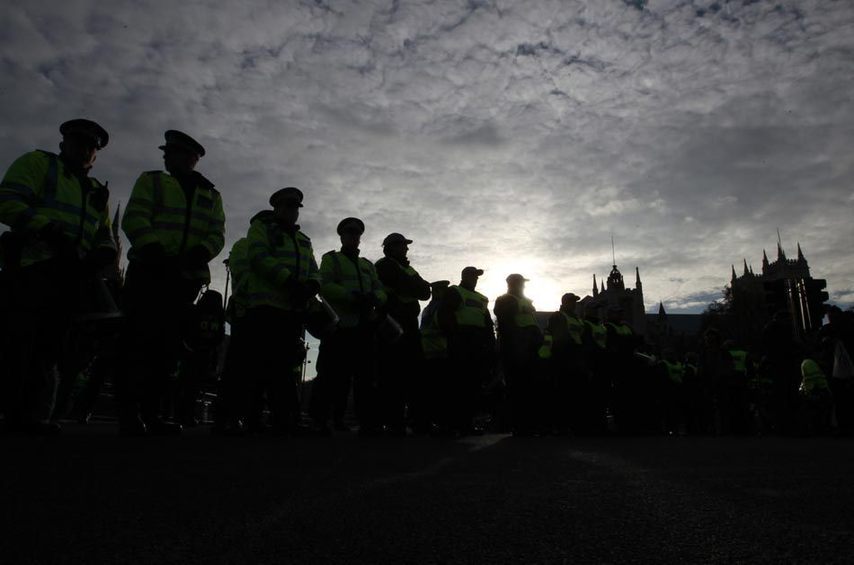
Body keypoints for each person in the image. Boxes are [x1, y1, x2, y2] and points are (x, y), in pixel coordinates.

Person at [0, 119, 116, 434]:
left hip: (71, 276)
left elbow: (102, 233)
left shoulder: (95, 191)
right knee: (18, 342)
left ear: (96, 155)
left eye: (91, 147)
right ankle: (11, 413)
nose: (85, 150)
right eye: (79, 143)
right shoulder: (39, 164)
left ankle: (34, 416)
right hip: (33, 267)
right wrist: (46, 229)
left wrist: (105, 251)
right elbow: (7, 201)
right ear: (64, 143)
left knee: (50, 348)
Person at [119, 130, 225, 435]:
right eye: (167, 152)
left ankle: (152, 413)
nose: (167, 157)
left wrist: (201, 253)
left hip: (183, 280)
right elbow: (135, 218)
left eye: (175, 153)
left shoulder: (211, 195)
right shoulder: (151, 181)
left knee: (166, 350)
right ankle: (129, 413)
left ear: (192, 158)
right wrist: (154, 250)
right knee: (137, 343)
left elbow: (216, 233)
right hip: (150, 273)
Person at [243, 187, 320, 435]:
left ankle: (285, 419)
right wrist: (289, 281)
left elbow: (313, 268)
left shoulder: (304, 240)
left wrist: (312, 285)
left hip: (291, 311)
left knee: (286, 368)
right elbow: (258, 256)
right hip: (265, 308)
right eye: (286, 206)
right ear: (276, 208)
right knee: (259, 366)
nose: (291, 211)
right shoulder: (262, 229)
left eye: (295, 207)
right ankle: (253, 419)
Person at [310, 217, 386, 435]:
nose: (353, 236)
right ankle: (322, 420)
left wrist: (374, 297)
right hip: (340, 328)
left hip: (364, 328)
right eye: (349, 233)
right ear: (341, 236)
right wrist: (351, 296)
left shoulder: (368, 266)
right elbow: (325, 285)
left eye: (356, 233)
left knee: (365, 378)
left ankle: (366, 422)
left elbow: (380, 290)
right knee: (331, 375)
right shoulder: (332, 259)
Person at [375, 232, 431, 435]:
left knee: (416, 374)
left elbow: (425, 292)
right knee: (392, 374)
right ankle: (393, 421)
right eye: (402, 245)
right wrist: (412, 286)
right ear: (390, 248)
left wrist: (412, 286)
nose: (406, 249)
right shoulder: (384, 265)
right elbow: (413, 287)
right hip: (391, 324)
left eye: (406, 245)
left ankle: (418, 421)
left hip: (409, 326)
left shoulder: (408, 268)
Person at [438, 267, 496, 435]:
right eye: (472, 275)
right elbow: (445, 315)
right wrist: (454, 336)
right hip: (461, 341)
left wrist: (490, 345)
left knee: (473, 385)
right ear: (464, 276)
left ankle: (466, 424)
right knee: (457, 384)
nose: (475, 279)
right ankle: (452, 424)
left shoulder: (481, 298)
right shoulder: (455, 292)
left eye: (476, 276)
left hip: (477, 344)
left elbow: (487, 324)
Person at [494, 274, 544, 435]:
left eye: (523, 283)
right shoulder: (504, 299)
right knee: (516, 388)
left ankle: (529, 424)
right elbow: (503, 319)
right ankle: (518, 426)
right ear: (512, 284)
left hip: (529, 350)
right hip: (514, 350)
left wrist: (537, 339)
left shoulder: (527, 301)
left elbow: (531, 323)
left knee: (530, 388)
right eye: (520, 283)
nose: (523, 286)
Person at [547, 293, 587, 434]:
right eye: (571, 302)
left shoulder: (577, 318)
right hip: (564, 358)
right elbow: (558, 338)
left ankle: (574, 424)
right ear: (564, 303)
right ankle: (561, 425)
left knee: (575, 392)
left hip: (577, 358)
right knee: (563, 391)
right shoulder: (558, 316)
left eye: (575, 302)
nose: (574, 304)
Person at [420, 280, 451, 433]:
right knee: (441, 391)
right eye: (444, 290)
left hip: (428, 352)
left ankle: (429, 423)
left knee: (431, 390)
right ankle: (442, 424)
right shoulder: (440, 307)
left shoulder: (427, 308)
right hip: (440, 351)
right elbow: (445, 327)